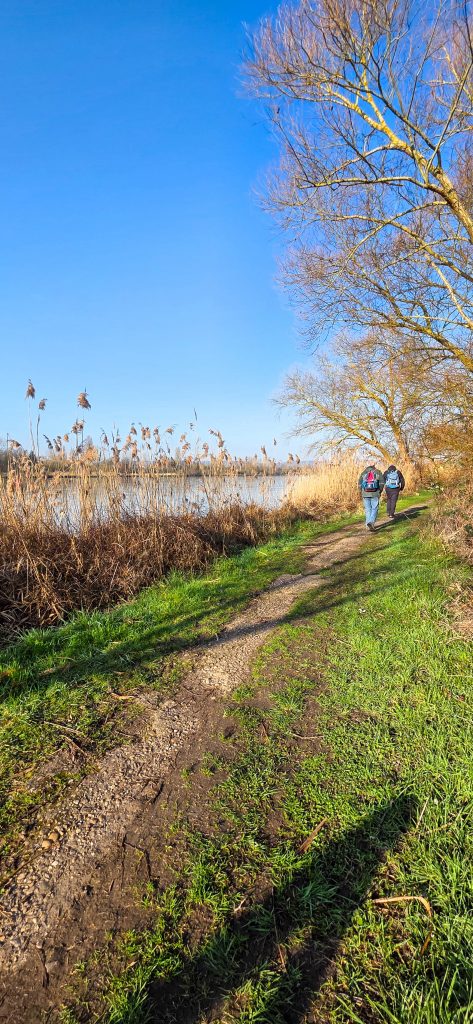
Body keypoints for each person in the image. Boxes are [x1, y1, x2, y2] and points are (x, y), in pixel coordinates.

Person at [358, 463, 384, 531]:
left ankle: (367, 524)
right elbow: (382, 483)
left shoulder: (363, 472)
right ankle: (371, 522)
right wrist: (379, 491)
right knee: (374, 508)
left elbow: (359, 484)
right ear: (374, 466)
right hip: (375, 493)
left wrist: (361, 491)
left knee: (367, 509)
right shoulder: (378, 472)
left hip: (365, 493)